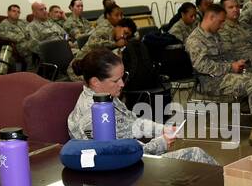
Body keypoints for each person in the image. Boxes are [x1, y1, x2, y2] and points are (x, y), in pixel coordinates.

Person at [67, 48, 213, 164]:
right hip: (122, 170)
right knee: (196, 155)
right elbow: (118, 156)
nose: (122, 84)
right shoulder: (92, 116)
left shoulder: (105, 97)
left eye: (122, 77)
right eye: (116, 80)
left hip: (133, 156)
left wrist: (162, 129)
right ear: (95, 82)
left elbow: (134, 123)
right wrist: (161, 143)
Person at [185, 3, 252, 148]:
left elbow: (227, 55)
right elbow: (202, 66)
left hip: (226, 74)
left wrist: (237, 62)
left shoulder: (215, 35)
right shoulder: (195, 40)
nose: (222, 25)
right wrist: (230, 66)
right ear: (211, 17)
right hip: (211, 81)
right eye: (221, 21)